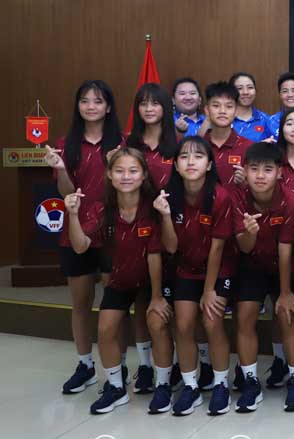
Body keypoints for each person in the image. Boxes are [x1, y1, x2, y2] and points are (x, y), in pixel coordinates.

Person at [63, 149, 165, 414]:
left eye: (133, 171)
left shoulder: (153, 206)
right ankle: (116, 387)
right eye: (119, 171)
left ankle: (160, 380)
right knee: (106, 328)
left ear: (143, 175)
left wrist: (156, 296)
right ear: (109, 174)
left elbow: (155, 255)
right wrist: (72, 215)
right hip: (120, 279)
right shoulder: (101, 208)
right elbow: (81, 245)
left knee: (154, 320)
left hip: (152, 279)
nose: (126, 176)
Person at [146, 136, 236, 416]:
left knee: (211, 320)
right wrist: (163, 216)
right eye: (184, 157)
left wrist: (209, 291)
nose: (190, 162)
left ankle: (221, 385)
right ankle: (191, 386)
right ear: (176, 164)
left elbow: (218, 248)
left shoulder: (221, 196)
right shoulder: (167, 197)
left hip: (219, 269)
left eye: (198, 157)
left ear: (209, 164)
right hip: (185, 268)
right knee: (183, 325)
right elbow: (170, 247)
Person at [45, 80, 124, 395]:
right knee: (80, 303)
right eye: (85, 101)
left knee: (114, 304)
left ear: (108, 107)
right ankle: (85, 365)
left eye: (98, 101)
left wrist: (113, 163)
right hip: (75, 232)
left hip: (113, 234)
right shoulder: (65, 144)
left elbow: (127, 185)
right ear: (78, 106)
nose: (91, 106)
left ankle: (116, 366)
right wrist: (62, 169)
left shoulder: (122, 142)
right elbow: (65, 193)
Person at [231, 142, 294, 413]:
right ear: (245, 171)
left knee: (286, 312)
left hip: (286, 264)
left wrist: (285, 292)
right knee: (245, 314)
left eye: (267, 169)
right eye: (254, 169)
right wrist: (250, 232)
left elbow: (286, 248)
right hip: (251, 263)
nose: (260, 175)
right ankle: (250, 381)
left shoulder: (291, 199)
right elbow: (245, 246)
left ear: (280, 172)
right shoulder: (236, 196)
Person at [202, 81, 252, 191]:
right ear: (207, 110)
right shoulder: (197, 147)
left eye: (229, 106)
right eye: (216, 106)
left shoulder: (249, 148)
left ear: (236, 111)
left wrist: (246, 182)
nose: (222, 111)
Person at [126, 83, 177, 190]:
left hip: (169, 204)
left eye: (155, 103)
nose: (148, 109)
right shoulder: (128, 142)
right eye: (143, 104)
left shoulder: (179, 143)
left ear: (165, 107)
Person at [229, 72, 272, 142]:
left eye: (250, 87)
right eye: (240, 88)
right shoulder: (225, 119)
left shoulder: (266, 120)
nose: (245, 92)